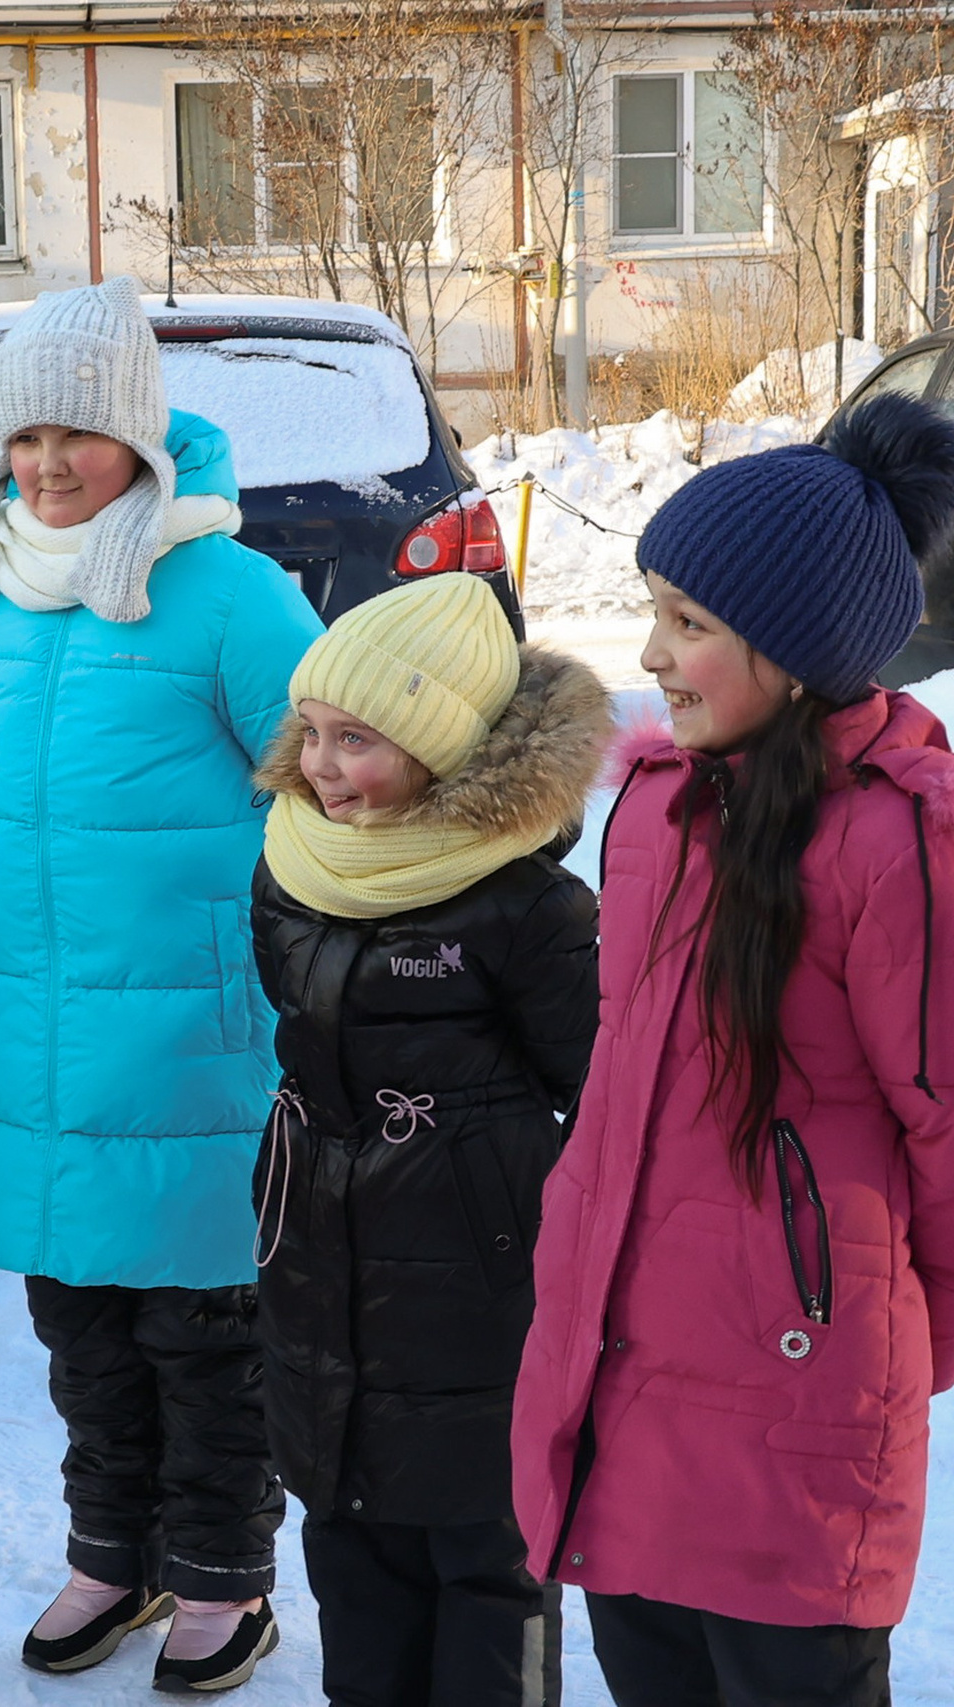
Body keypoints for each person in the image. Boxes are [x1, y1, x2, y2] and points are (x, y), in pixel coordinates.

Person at [510, 394, 954, 1706]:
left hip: (799, 1412)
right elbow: (621, 1092)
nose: (649, 654)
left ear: (798, 648)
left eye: (689, 623)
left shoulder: (907, 842)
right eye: (653, 611)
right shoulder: (653, 810)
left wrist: (872, 1345)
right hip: (629, 1380)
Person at [0, 276, 324, 1693]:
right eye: (24, 438)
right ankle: (115, 1549)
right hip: (38, 1021)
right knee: (80, 1313)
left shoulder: (227, 588)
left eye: (75, 436)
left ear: (138, 440)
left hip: (195, 1033)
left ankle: (223, 1573)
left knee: (202, 1319)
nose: (45, 465)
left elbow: (319, 777)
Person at [248, 573, 606, 1707]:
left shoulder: (522, 903)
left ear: (440, 749)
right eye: (311, 733)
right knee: (350, 1539)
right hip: (319, 1248)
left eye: (357, 740)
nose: (320, 767)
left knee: (482, 1551)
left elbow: (587, 1084)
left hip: (475, 1278)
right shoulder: (293, 863)